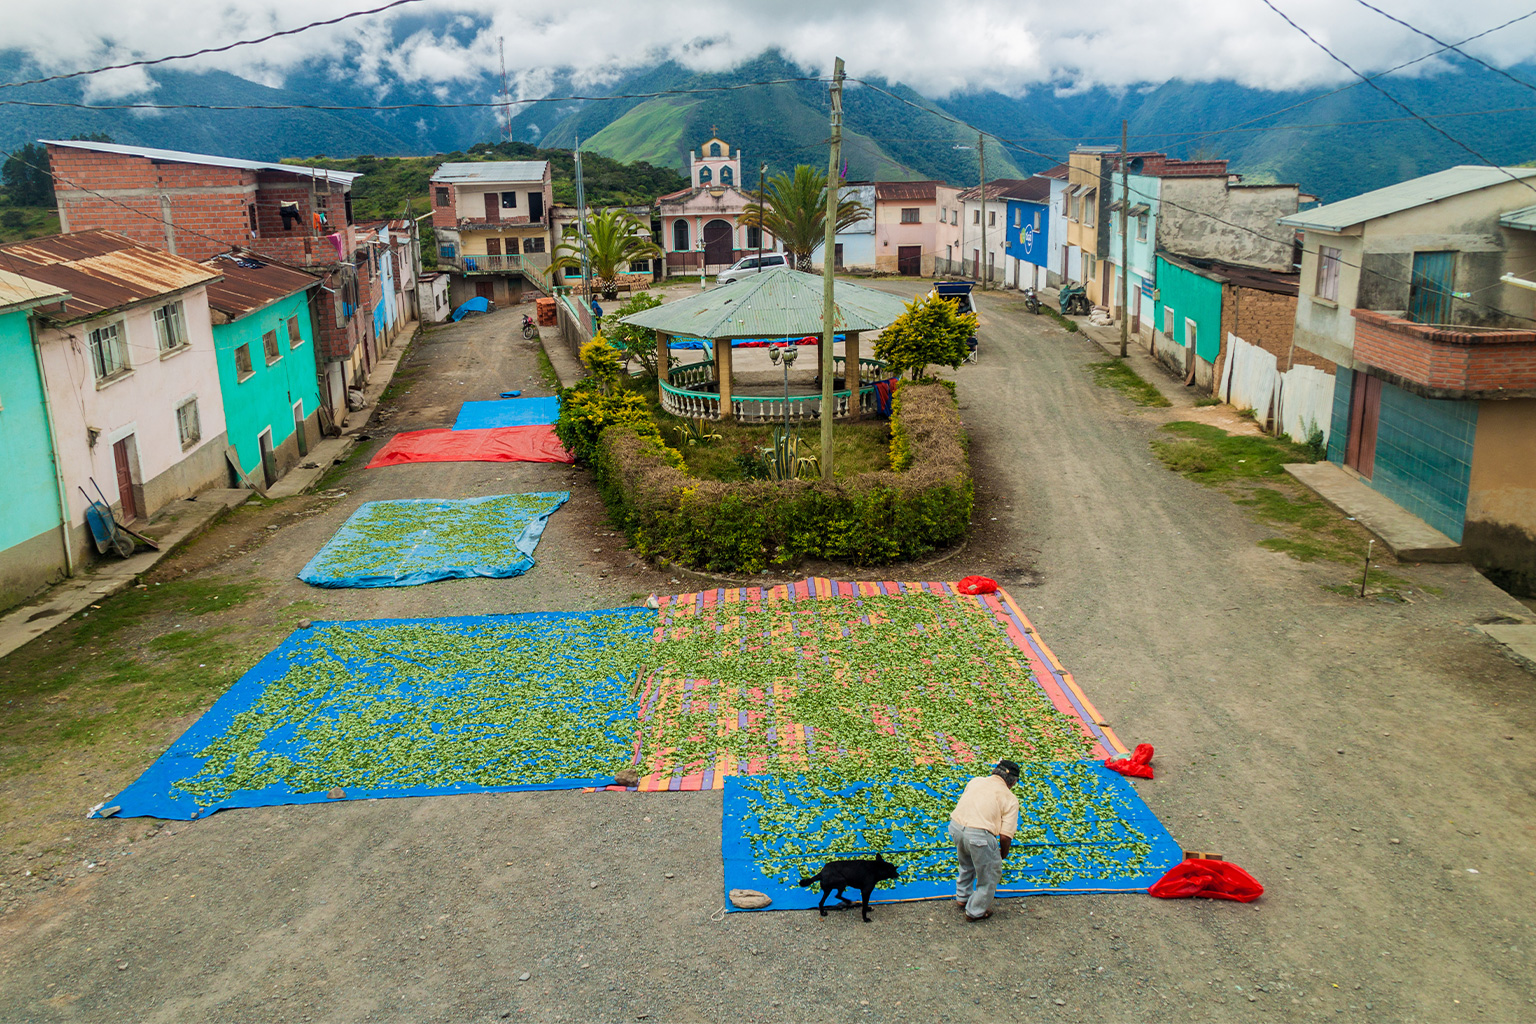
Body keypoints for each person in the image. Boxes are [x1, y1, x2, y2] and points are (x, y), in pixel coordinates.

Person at [948, 759, 1021, 921]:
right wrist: (1002, 853)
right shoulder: (1010, 798)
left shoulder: (976, 781)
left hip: (956, 827)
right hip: (979, 836)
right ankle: (975, 911)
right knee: (989, 873)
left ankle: (962, 897)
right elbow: (1005, 835)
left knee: (966, 862)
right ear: (1013, 782)